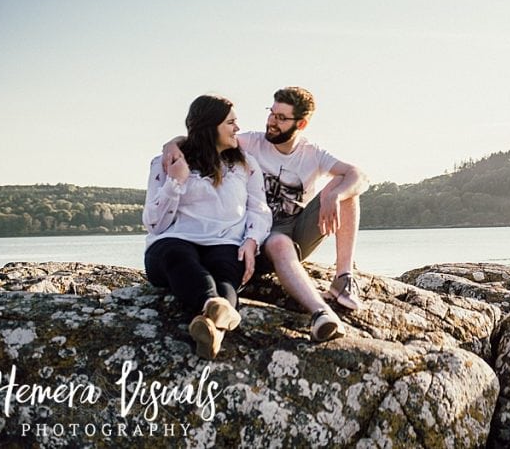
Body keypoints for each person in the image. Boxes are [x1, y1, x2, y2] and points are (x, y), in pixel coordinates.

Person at [143, 95, 338, 358]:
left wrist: (252, 241)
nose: (237, 128)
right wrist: (175, 182)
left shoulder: (244, 164)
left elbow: (259, 210)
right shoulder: (166, 163)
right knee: (180, 257)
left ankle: (212, 328)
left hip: (226, 242)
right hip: (173, 242)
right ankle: (213, 305)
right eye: (231, 123)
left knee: (226, 274)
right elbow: (154, 223)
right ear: (210, 126)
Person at [163, 86, 367, 319]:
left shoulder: (312, 153)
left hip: (296, 230)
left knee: (346, 187)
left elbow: (359, 176)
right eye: (271, 113)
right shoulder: (251, 142)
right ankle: (320, 312)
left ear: (301, 124)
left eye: (281, 118)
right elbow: (205, 137)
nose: (271, 122)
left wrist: (335, 195)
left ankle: (343, 278)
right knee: (279, 241)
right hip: (259, 233)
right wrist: (172, 144)